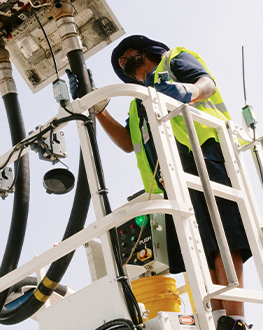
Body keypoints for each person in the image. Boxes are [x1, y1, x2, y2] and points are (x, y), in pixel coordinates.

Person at [69, 35, 252, 330]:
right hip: (172, 180)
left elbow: (206, 85)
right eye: (120, 62)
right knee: (200, 247)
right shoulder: (139, 102)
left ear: (145, 50)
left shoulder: (175, 60)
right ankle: (220, 320)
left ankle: (237, 318)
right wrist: (99, 109)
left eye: (126, 55)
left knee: (224, 239)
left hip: (205, 158)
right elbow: (128, 142)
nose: (123, 62)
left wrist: (185, 91)